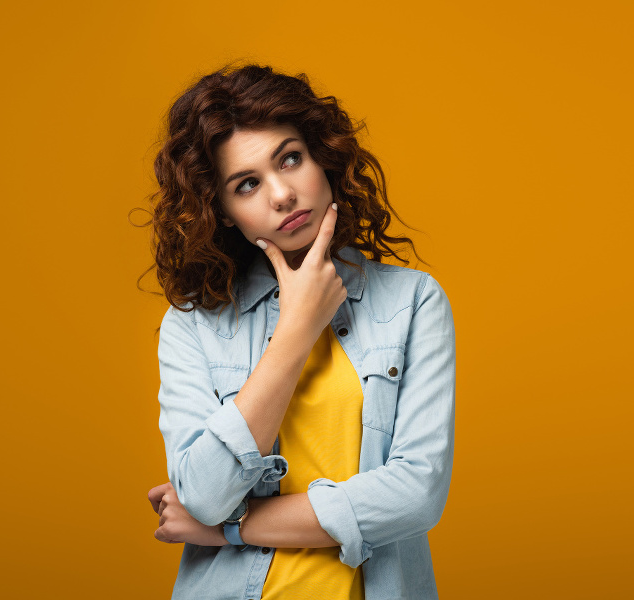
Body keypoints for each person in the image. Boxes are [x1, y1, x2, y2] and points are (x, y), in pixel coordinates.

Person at [143, 63, 456, 600]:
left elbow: (415, 494)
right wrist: (295, 330)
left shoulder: (412, 301)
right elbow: (203, 493)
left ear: (323, 157)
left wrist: (229, 528)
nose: (282, 194)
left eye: (290, 158)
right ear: (223, 212)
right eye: (247, 184)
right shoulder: (191, 327)